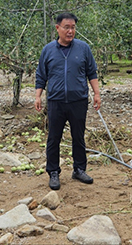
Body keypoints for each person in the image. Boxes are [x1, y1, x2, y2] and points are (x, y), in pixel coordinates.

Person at [35, 13, 102, 191]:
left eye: (73, 27)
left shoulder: (83, 48)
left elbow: (92, 72)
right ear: (58, 28)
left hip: (78, 101)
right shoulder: (48, 50)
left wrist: (96, 93)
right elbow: (41, 75)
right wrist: (37, 96)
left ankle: (79, 169)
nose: (70, 31)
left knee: (78, 136)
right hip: (56, 101)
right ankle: (54, 172)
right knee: (53, 138)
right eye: (67, 27)